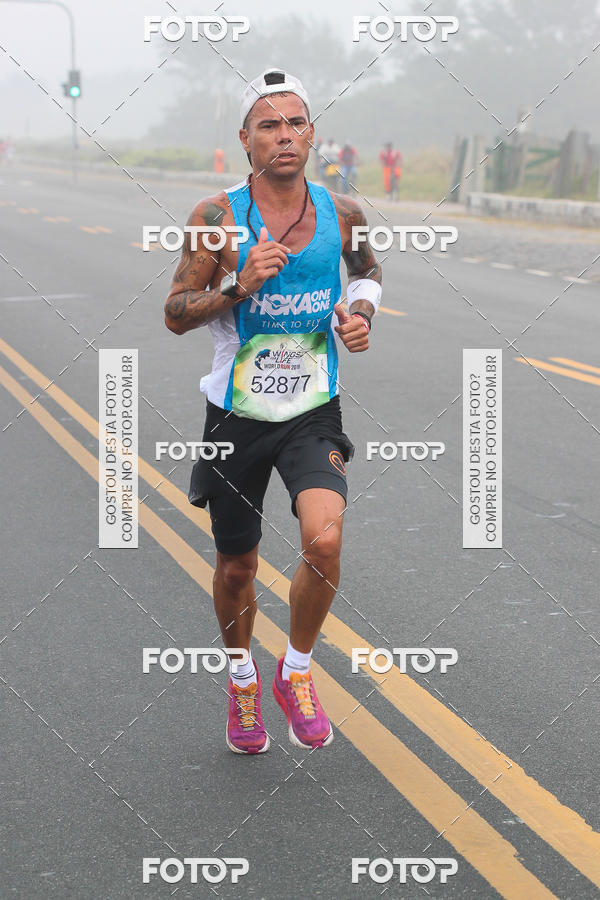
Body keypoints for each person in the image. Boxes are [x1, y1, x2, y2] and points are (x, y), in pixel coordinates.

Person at [164, 67, 382, 755]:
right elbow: (174, 313)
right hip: (237, 416)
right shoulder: (216, 217)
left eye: (295, 123)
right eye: (269, 125)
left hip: (313, 408)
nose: (284, 136)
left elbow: (367, 272)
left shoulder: (342, 212)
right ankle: (242, 681)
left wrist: (359, 315)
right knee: (238, 568)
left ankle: (294, 670)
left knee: (324, 540)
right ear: (245, 139)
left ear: (311, 133)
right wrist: (237, 285)